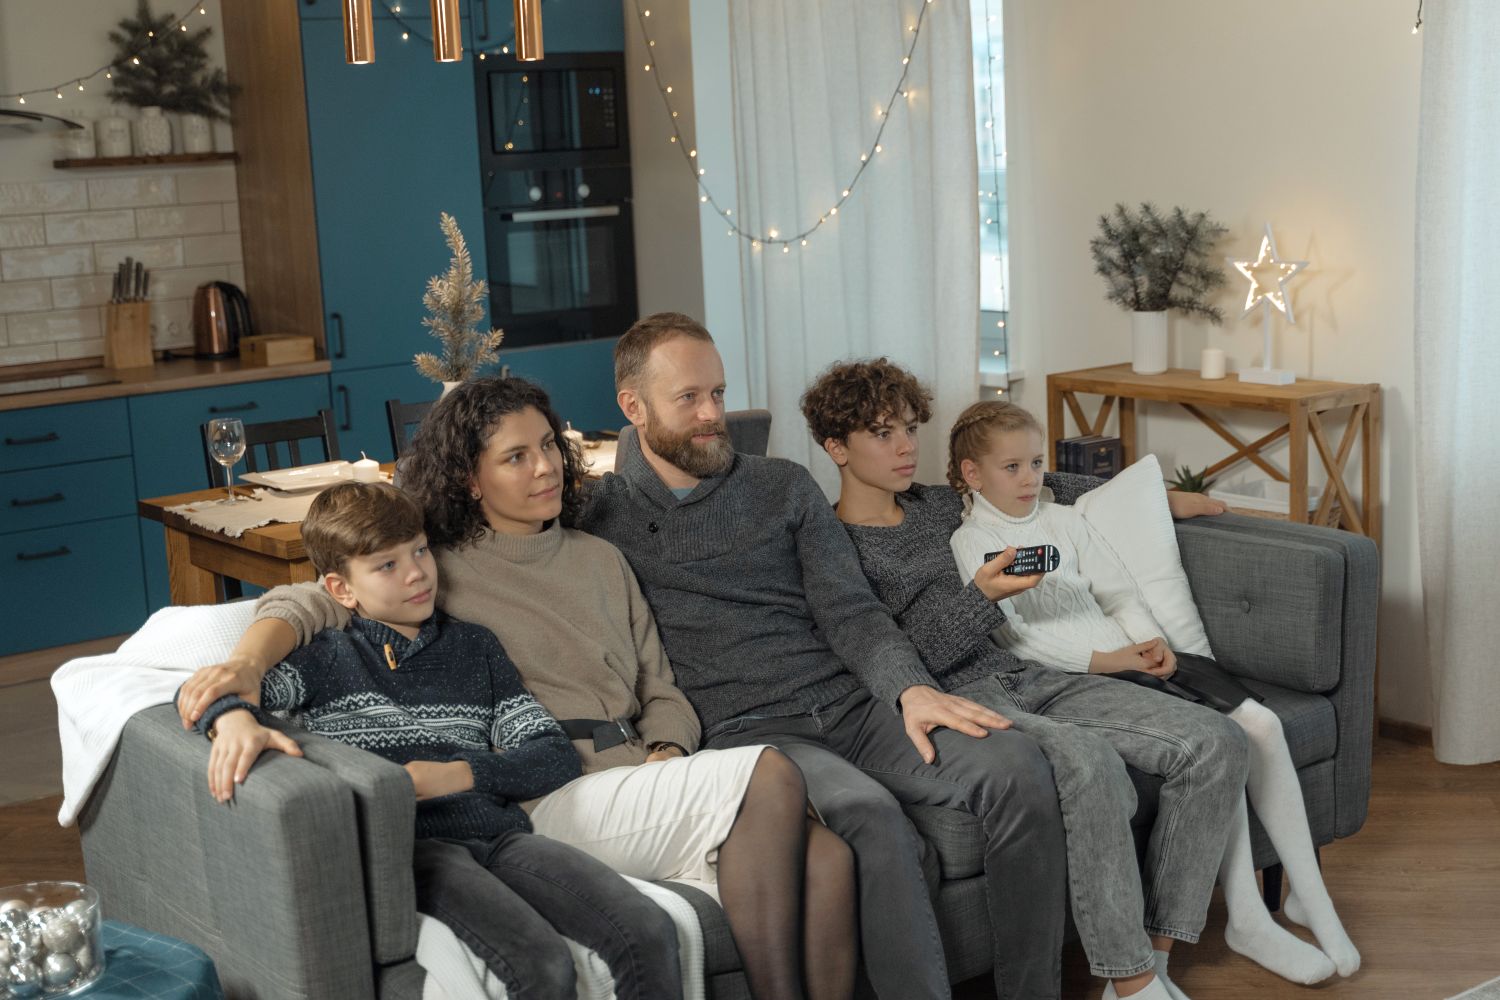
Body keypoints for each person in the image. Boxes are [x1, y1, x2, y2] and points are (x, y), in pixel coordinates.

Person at [178, 378, 857, 1000]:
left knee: (827, 856)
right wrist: (243, 672)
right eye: (515, 457)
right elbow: (316, 601)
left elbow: (661, 690)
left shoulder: (602, 560)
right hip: (556, 788)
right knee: (771, 771)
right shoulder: (439, 567)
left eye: (548, 447)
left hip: (640, 776)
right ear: (470, 479)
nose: (545, 468)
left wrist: (668, 751)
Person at [574, 313, 1071, 1000]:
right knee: (871, 817)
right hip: (751, 736)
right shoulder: (598, 515)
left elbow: (851, 610)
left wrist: (910, 690)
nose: (712, 414)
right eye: (689, 397)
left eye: (718, 393)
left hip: (851, 703)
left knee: (1016, 764)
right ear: (633, 407)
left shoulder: (782, 485)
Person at [798, 359, 1259, 1000]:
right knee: (1088, 764)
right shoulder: (831, 546)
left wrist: (1157, 498)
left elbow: (1042, 481)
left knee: (1219, 742)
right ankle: (1131, 983)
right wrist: (980, 599)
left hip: (1028, 672)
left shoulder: (938, 503)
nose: (905, 447)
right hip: (955, 701)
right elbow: (889, 657)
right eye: (882, 433)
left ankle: (1155, 961)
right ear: (836, 447)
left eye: (909, 429)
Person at [182, 480, 683, 999]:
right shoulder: (326, 658)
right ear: (341, 589)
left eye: (419, 550)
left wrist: (458, 775)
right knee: (542, 962)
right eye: (387, 565)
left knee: (648, 929)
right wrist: (233, 718)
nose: (416, 573)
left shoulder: (475, 647)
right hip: (416, 848)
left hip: (502, 836)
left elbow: (553, 756)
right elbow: (202, 692)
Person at [947, 398, 1360, 981]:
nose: (1030, 478)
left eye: (1036, 463)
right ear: (972, 473)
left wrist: (1151, 642)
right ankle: (1247, 915)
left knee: (1263, 724)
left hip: (1134, 655)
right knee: (1219, 740)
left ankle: (1309, 898)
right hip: (1086, 673)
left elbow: (1118, 592)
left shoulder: (1064, 520)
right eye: (1011, 467)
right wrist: (1109, 660)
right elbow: (1018, 639)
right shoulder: (973, 543)